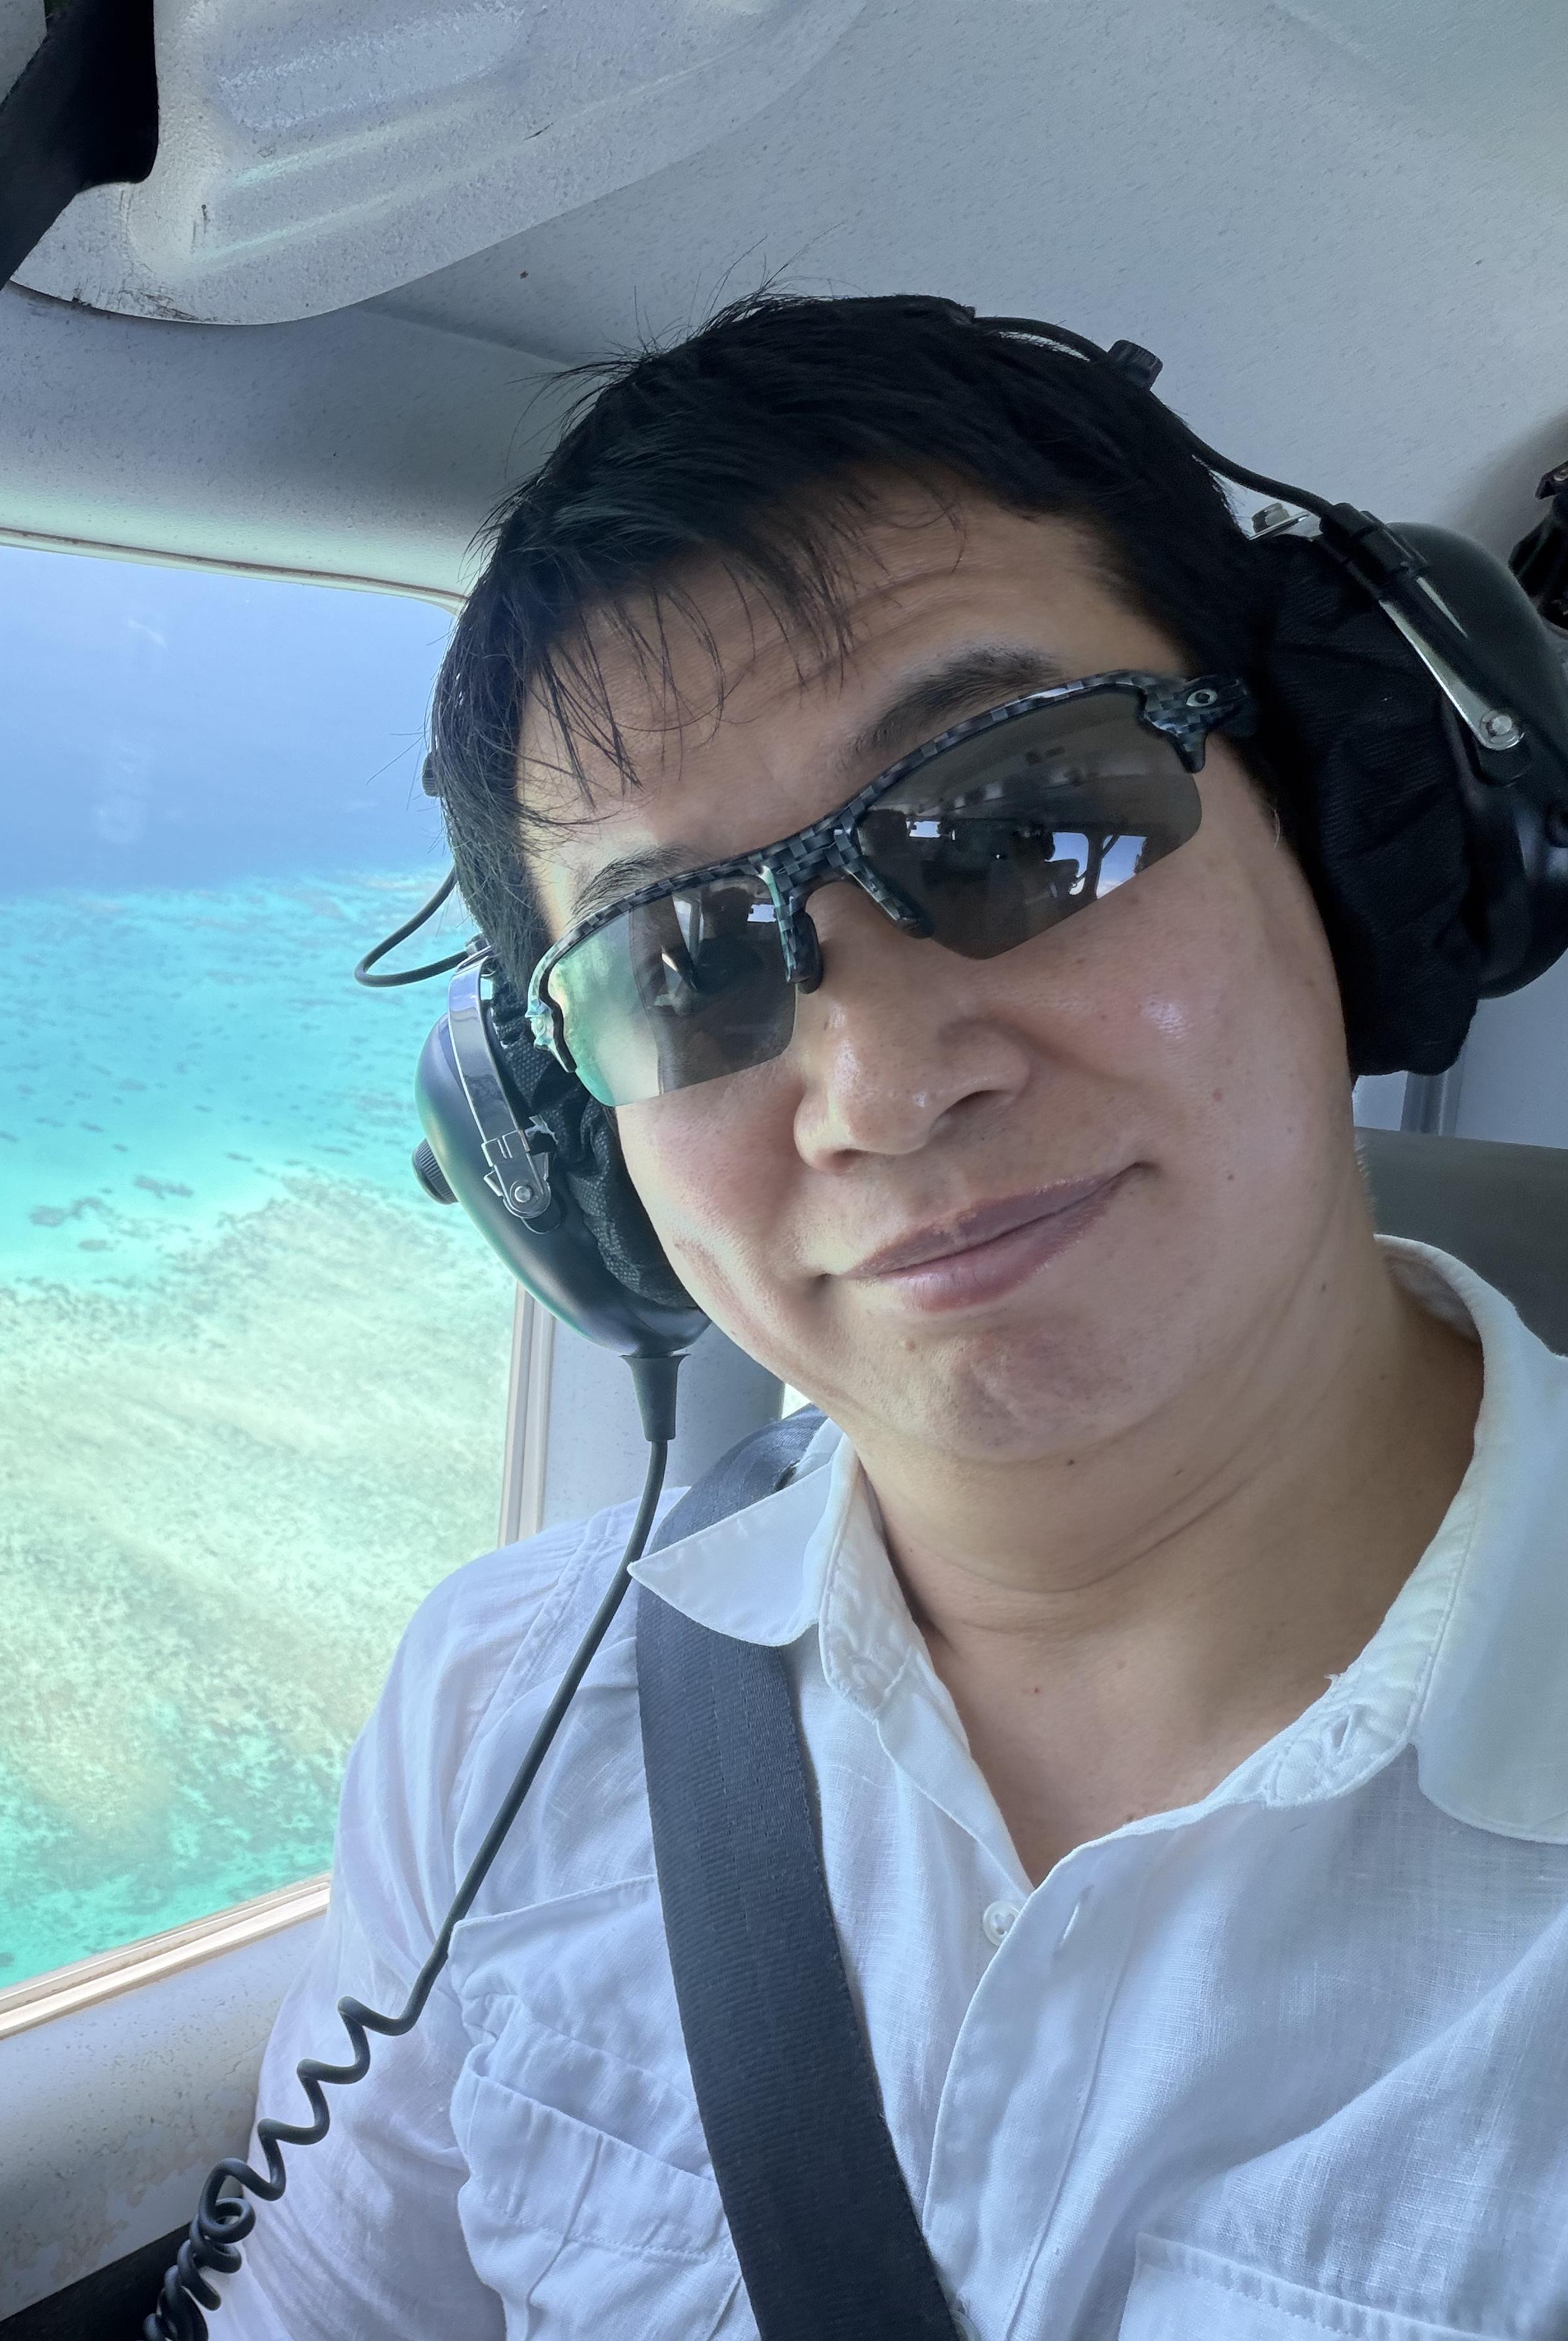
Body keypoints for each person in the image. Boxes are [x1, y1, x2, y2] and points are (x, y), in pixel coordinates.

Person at [211, 295, 1568, 2339]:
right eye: (683, 963)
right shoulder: (505, 1715)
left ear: (1352, 814)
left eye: (1024, 823)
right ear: (571, 1147)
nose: (879, 1089)